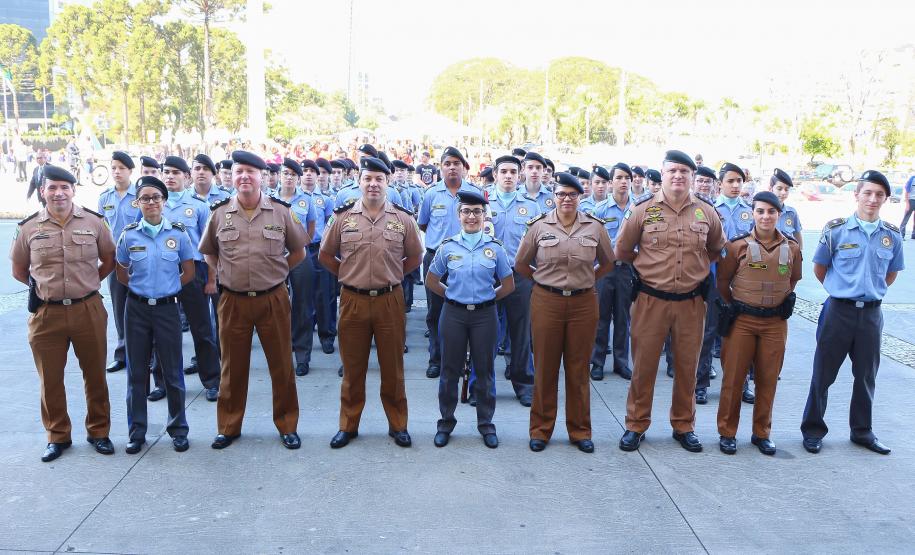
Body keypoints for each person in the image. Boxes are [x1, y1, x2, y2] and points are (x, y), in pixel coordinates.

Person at [615, 150, 726, 453]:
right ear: (662, 174)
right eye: (673, 171)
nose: (678, 176)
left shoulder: (706, 212)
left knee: (688, 367)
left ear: (692, 176)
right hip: (651, 301)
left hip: (691, 303)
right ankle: (636, 424)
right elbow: (622, 250)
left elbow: (716, 248)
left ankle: (684, 425)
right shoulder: (642, 209)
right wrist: (650, 268)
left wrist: (694, 269)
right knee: (644, 367)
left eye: (684, 172)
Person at [198, 150, 309, 450]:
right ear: (231, 177)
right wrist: (225, 273)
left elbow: (299, 251)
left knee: (281, 365)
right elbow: (209, 253)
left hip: (273, 298)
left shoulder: (281, 212)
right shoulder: (219, 213)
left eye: (250, 171)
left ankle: (287, 425)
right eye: (239, 171)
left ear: (262, 176)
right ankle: (228, 427)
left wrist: (277, 272)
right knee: (232, 367)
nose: (244, 177)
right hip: (233, 301)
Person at [10, 165, 116, 462]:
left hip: (88, 309)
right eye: (52, 188)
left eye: (64, 187)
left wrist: (89, 283)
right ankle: (57, 436)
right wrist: (44, 287)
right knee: (50, 379)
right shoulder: (28, 227)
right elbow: (19, 269)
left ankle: (99, 432)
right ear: (42, 191)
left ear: (73, 190)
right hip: (47, 314)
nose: (59, 193)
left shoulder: (94, 222)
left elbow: (109, 258)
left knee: (95, 375)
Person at [319, 156, 424, 449]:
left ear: (387, 183)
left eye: (379, 179)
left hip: (390, 301)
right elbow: (325, 255)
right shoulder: (342, 217)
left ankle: (398, 425)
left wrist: (393, 275)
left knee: (393, 369)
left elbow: (416, 256)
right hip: (352, 301)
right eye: (368, 178)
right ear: (359, 182)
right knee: (353, 370)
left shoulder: (402, 218)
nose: (373, 184)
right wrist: (349, 274)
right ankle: (348, 425)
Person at [801, 170, 904, 455]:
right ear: (856, 194)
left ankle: (862, 431)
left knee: (866, 376)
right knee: (823, 374)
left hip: (870, 315)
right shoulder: (836, 230)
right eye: (867, 193)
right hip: (838, 312)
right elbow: (820, 268)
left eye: (879, 194)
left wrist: (869, 291)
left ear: (885, 199)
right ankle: (812, 430)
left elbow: (891, 273)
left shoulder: (891, 235)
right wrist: (843, 290)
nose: (873, 199)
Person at [515, 172, 615, 454]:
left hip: (583, 303)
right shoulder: (538, 226)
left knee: (578, 369)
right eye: (561, 194)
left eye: (572, 194)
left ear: (580, 197)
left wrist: (588, 279)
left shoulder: (595, 227)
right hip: (547, 302)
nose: (566, 199)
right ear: (554, 197)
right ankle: (540, 429)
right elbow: (521, 264)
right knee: (545, 368)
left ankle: (580, 430)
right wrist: (542, 281)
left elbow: (608, 262)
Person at [426, 190, 514, 448]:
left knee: (485, 371)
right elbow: (432, 280)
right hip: (453, 314)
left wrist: (487, 299)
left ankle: (486, 425)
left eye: (477, 212)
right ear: (459, 215)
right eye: (466, 211)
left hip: (485, 316)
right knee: (449, 371)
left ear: (484, 216)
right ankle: (445, 423)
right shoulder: (447, 247)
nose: (471, 216)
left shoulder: (495, 249)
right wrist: (453, 295)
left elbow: (508, 284)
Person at [715, 191, 802, 455]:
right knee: (733, 379)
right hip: (742, 321)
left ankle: (761, 433)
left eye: (771, 211)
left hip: (774, 323)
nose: (766, 216)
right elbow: (722, 282)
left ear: (779, 214)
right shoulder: (737, 246)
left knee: (768, 380)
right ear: (752, 213)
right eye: (760, 211)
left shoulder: (792, 248)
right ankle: (727, 432)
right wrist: (740, 304)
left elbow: (793, 280)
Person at [115, 176, 195, 454]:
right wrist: (144, 291)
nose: (151, 202)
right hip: (136, 310)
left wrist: (166, 289)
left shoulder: (178, 234)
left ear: (164, 201)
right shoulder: (129, 235)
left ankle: (178, 429)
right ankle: (137, 432)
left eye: (156, 197)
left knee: (173, 371)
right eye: (145, 198)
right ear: (137, 203)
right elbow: (122, 273)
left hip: (167, 310)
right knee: (137, 373)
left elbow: (189, 272)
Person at [159, 156, 221, 401]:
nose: (170, 177)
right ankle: (164, 383)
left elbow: (210, 247)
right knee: (163, 330)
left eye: (176, 173)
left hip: (194, 271)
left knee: (201, 328)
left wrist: (211, 279)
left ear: (186, 177)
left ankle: (211, 380)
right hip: (163, 272)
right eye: (167, 172)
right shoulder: (155, 203)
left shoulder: (198, 206)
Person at [418, 147, 479, 379]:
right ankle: (436, 359)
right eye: (447, 163)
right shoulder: (431, 193)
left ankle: (460, 361)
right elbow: (423, 224)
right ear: (441, 167)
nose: (452, 167)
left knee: (464, 313)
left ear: (464, 167)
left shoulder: (475, 192)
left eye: (456, 163)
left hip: (467, 260)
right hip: (437, 259)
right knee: (435, 312)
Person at [487, 155, 541, 406]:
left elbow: (538, 244)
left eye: (513, 172)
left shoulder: (531, 207)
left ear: (520, 176)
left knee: (522, 333)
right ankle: (481, 385)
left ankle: (524, 385)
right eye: (503, 171)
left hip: (519, 276)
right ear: (495, 175)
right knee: (485, 333)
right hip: (488, 276)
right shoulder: (483, 202)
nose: (508, 176)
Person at [591, 162, 635, 381]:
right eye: (619, 177)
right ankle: (597, 362)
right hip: (604, 269)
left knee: (623, 317)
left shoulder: (638, 208)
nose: (623, 182)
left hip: (627, 269)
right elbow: (592, 240)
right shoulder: (600, 209)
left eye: (627, 178)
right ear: (611, 182)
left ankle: (621, 362)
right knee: (600, 316)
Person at [274, 158, 317, 376]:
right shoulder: (268, 198)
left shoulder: (306, 200)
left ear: (297, 178)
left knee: (302, 306)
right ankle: (281, 353)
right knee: (276, 306)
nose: (289, 178)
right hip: (274, 258)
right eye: (285, 174)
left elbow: (311, 228)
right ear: (279, 176)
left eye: (293, 174)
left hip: (300, 256)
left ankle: (302, 356)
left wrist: (299, 246)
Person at [98, 151, 139, 374]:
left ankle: (147, 353)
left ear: (130, 171)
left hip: (139, 260)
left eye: (122, 168)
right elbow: (100, 230)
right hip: (115, 261)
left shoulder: (140, 195)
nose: (117, 172)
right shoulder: (105, 198)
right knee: (118, 307)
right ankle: (122, 353)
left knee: (143, 306)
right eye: (113, 168)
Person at [770, 169, 803, 248]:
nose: (783, 192)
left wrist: (799, 251)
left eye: (786, 189)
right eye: (779, 189)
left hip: (787, 254)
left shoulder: (791, 213)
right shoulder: (763, 212)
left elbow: (797, 235)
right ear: (771, 189)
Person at [901, 172, 915, 240]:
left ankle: (914, 235)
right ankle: (901, 235)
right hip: (911, 201)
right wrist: (907, 204)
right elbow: (906, 192)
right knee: (906, 218)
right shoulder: (912, 179)